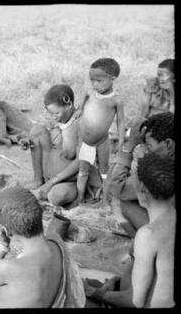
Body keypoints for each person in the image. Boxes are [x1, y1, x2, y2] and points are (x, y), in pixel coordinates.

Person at [0, 186, 85, 308]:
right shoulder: (58, 244)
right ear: (39, 213)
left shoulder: (6, 268)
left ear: (6, 231)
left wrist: (0, 247)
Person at [84, 153, 175, 308]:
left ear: (141, 187)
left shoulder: (148, 235)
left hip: (134, 301)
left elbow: (134, 302)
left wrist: (91, 292)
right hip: (135, 291)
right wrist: (117, 282)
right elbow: (157, 279)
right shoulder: (168, 220)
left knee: (75, 293)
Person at [19, 84, 101, 207]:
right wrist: (27, 140)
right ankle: (38, 180)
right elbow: (46, 133)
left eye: (56, 113)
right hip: (49, 178)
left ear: (69, 105)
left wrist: (52, 182)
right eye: (50, 113)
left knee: (56, 196)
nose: (53, 117)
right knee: (36, 130)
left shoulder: (83, 124)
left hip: (70, 181)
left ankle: (50, 189)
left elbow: (82, 162)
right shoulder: (60, 119)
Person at [107, 111, 174, 238]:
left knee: (117, 202)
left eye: (149, 146)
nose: (147, 150)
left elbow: (116, 188)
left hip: (167, 232)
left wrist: (130, 144)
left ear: (168, 144)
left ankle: (138, 242)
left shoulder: (160, 169)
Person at [75, 58, 125, 206]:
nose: (95, 84)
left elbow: (120, 121)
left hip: (102, 141)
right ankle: (79, 199)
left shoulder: (116, 100)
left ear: (112, 78)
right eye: (92, 80)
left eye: (99, 81)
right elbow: (81, 105)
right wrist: (79, 110)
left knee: (104, 170)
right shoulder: (90, 92)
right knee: (82, 170)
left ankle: (104, 201)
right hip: (85, 141)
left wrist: (121, 141)